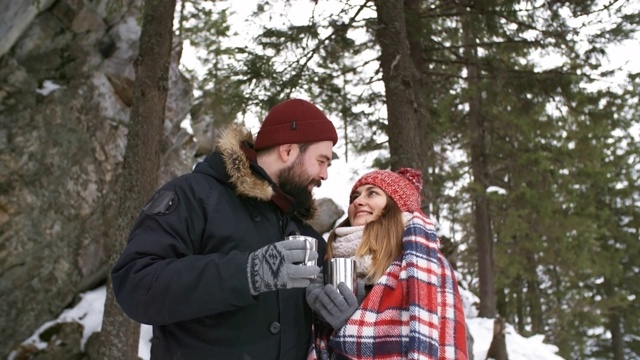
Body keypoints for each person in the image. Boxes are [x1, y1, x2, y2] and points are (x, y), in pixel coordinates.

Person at [111, 98, 338, 359]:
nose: (324, 175)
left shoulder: (305, 233)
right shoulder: (194, 196)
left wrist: (328, 312)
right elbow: (136, 285)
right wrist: (248, 274)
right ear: (287, 150)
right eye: (322, 161)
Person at [306, 168, 469, 359]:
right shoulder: (331, 261)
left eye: (372, 193)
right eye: (355, 197)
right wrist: (314, 315)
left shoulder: (427, 266)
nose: (357, 201)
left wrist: (349, 324)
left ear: (394, 205)